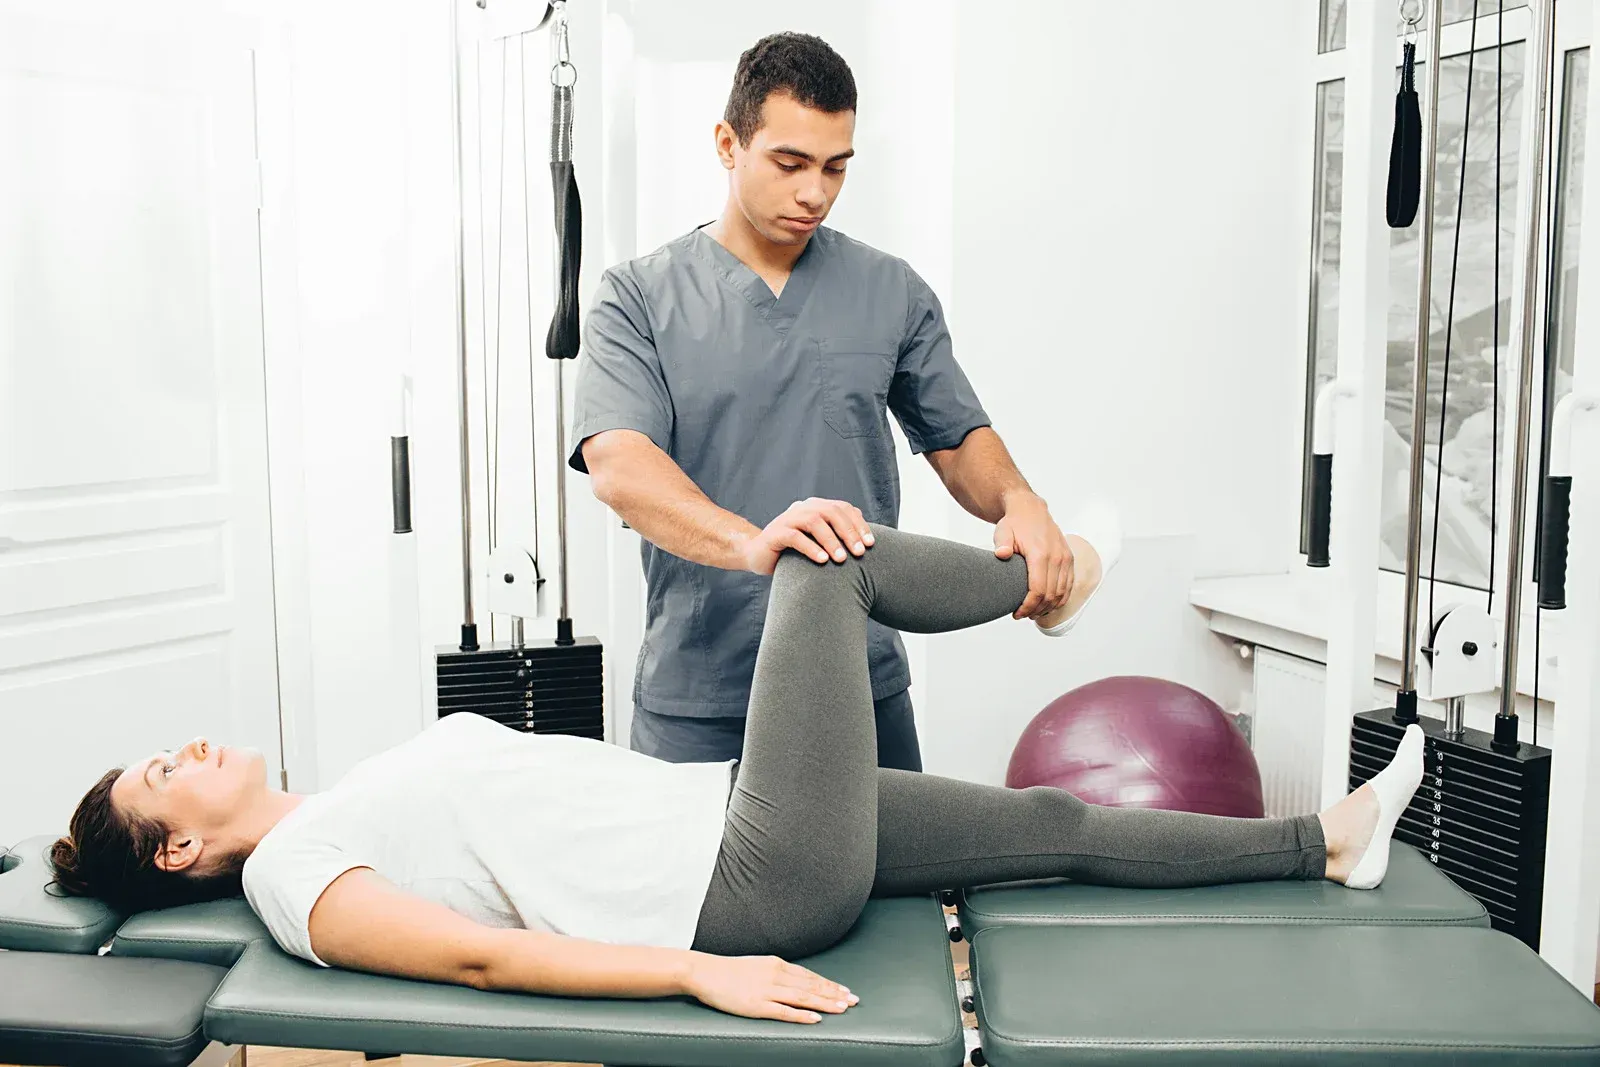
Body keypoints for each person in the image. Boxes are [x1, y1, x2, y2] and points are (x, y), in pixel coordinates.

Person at [52, 511, 1427, 1025]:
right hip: (749, 871)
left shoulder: (332, 800)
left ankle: (1324, 839)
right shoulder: (300, 873)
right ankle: (1041, 582)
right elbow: (484, 962)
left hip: (744, 819)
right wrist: (696, 968)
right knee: (823, 559)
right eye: (164, 771)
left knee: (1050, 815)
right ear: (179, 848)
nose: (190, 746)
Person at [571, 31, 1076, 770]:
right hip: (704, 695)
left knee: (901, 887)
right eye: (790, 163)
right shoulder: (639, 297)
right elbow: (619, 464)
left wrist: (1019, 501)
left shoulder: (891, 290)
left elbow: (957, 437)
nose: (815, 192)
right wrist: (750, 545)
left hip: (858, 687)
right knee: (694, 889)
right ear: (727, 144)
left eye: (837, 167)